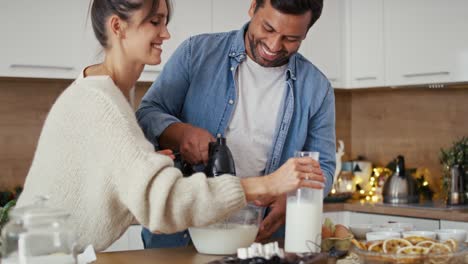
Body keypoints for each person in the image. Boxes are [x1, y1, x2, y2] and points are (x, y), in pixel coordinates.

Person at [16, 0, 325, 252]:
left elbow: (117, 189)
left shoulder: (112, 94)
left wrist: (148, 170)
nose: (166, 33)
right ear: (118, 26)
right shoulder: (99, 99)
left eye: (164, 21)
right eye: (155, 22)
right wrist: (267, 184)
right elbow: (161, 205)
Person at [137, 0, 335, 248]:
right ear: (253, 7)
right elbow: (146, 114)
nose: (273, 46)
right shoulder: (196, 53)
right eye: (268, 29)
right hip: (181, 234)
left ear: (306, 33)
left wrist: (292, 198)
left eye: (291, 39)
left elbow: (323, 166)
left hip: (260, 240)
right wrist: (181, 133)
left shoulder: (317, 89)